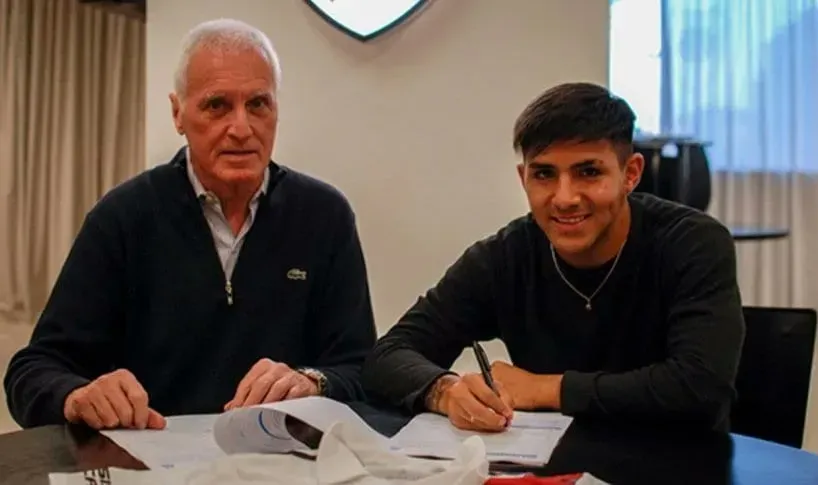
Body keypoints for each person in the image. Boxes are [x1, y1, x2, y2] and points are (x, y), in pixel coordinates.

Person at [4, 19, 377, 430]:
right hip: (152, 462)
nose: (241, 128)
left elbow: (363, 371)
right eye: (217, 105)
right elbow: (33, 370)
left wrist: (313, 382)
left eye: (258, 104)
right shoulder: (124, 217)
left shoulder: (324, 216)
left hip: (284, 464)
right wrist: (76, 397)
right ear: (177, 113)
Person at [362, 82, 745, 433]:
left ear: (630, 174)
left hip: (678, 465)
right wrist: (444, 392)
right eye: (544, 175)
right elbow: (389, 355)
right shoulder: (507, 256)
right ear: (522, 178)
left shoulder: (692, 242)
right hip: (553, 466)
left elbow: (700, 389)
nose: (564, 197)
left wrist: (546, 389)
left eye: (588, 172)